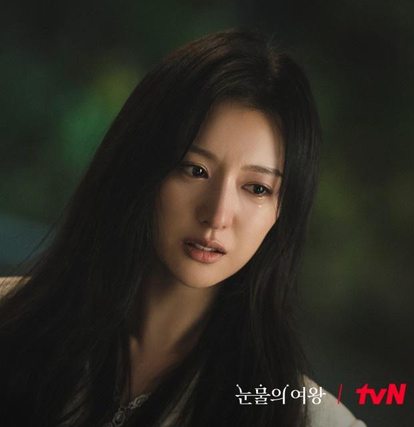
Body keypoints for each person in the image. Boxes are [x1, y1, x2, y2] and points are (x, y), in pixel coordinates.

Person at [0, 30, 366, 427]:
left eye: (257, 188)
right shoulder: (11, 323)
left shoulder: (303, 416)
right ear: (140, 164)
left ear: (283, 211)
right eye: (195, 170)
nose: (218, 214)